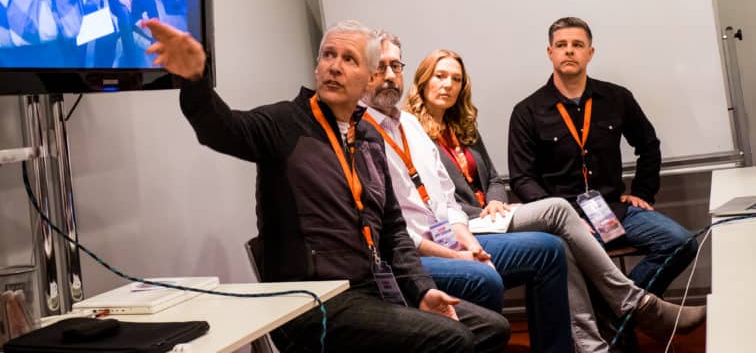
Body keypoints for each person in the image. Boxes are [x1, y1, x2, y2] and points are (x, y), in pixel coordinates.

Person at [143, 18, 510, 353]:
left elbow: (394, 231)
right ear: (317, 67)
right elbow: (222, 129)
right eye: (328, 56)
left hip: (370, 290)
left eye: (349, 59)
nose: (335, 65)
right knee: (452, 338)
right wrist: (195, 80)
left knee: (493, 328)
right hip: (312, 302)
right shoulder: (283, 123)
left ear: (369, 79)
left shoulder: (369, 136)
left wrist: (422, 289)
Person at [402, 43, 707, 351]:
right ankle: (633, 302)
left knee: (561, 244)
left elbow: (494, 178)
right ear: (423, 80)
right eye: (440, 76)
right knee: (559, 210)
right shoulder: (410, 130)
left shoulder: (463, 126)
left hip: (497, 214)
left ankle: (592, 345)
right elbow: (434, 198)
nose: (448, 85)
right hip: (463, 224)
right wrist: (481, 211)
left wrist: (494, 200)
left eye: (456, 79)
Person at [362, 35, 571, 353]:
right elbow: (395, 235)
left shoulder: (409, 125)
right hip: (414, 254)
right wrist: (460, 255)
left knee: (550, 249)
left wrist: (470, 243)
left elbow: (446, 197)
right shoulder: (358, 134)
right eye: (380, 66)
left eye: (395, 65)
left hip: (456, 234)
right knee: (485, 275)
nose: (389, 75)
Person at [507, 17, 698, 299]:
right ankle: (623, 313)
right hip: (564, 219)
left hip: (613, 209)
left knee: (681, 243)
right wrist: (556, 216)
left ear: (590, 53)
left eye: (577, 45)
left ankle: (620, 310)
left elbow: (648, 145)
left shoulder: (616, 98)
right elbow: (522, 178)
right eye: (561, 45)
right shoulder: (527, 111)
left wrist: (643, 192)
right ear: (550, 53)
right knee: (565, 269)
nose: (569, 51)